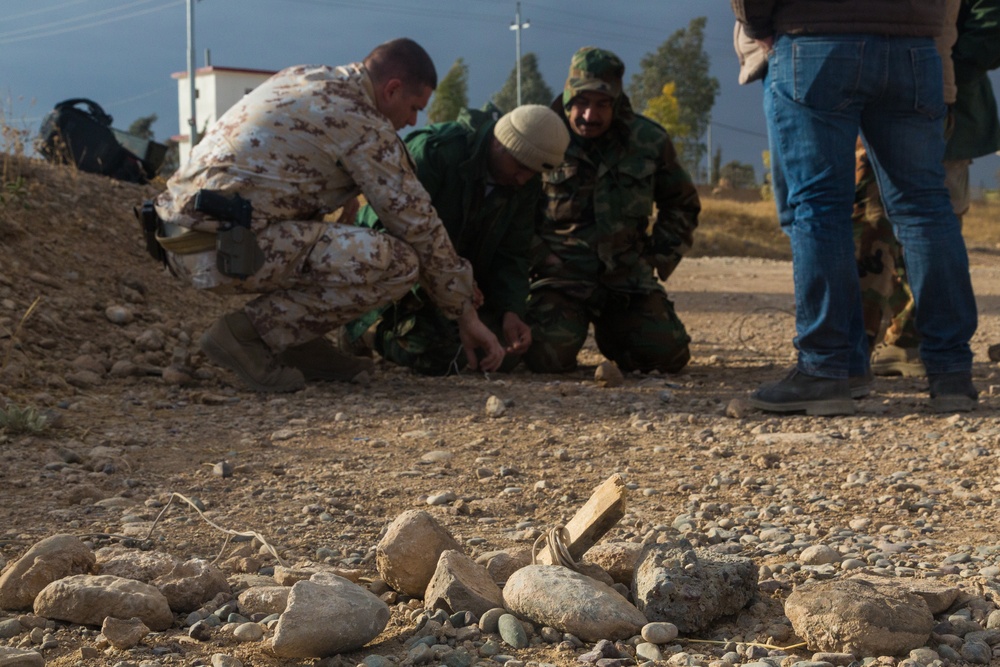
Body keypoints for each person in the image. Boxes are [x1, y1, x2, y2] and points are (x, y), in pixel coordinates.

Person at [151, 38, 505, 392]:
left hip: (182, 236)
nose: (413, 121)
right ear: (392, 90)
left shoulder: (307, 77)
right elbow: (417, 224)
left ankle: (295, 341)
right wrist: (464, 312)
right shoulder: (362, 122)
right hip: (215, 248)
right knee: (398, 263)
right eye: (414, 107)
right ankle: (245, 336)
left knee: (337, 241)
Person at [732, 0, 980, 415]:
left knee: (819, 206)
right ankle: (951, 372)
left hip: (815, 36)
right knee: (925, 208)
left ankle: (827, 370)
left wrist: (756, 23)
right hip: (913, 44)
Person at [344, 103, 570, 375]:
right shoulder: (435, 153)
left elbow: (513, 254)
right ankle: (366, 331)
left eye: (533, 173)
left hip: (460, 290)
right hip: (403, 281)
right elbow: (390, 234)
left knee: (501, 353)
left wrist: (512, 311)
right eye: (520, 167)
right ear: (500, 143)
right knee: (440, 355)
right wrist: (452, 291)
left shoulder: (523, 183)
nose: (523, 180)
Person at [523, 47, 700, 375]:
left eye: (602, 104)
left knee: (666, 357)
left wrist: (656, 259)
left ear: (617, 101)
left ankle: (617, 331)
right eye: (582, 102)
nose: (590, 116)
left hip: (625, 280)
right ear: (567, 97)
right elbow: (513, 209)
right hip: (561, 279)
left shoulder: (647, 140)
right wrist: (539, 256)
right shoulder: (541, 135)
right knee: (542, 359)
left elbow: (682, 203)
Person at [857, 0, 1000, 378]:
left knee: (933, 222)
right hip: (875, 98)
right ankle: (863, 344)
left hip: (945, 109)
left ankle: (914, 343)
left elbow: (991, 29)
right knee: (870, 222)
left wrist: (936, 68)